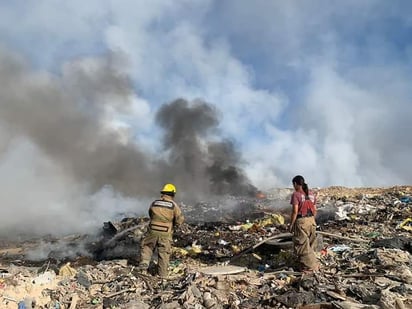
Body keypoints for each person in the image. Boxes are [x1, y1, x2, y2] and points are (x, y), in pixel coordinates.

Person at [138, 183, 184, 278]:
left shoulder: (155, 203)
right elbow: (179, 220)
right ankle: (162, 276)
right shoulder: (173, 205)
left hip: (152, 230)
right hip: (165, 232)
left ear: (163, 193)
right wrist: (173, 225)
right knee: (164, 253)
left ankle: (143, 267)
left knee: (147, 247)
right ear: (172, 194)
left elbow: (150, 214)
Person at [289, 175, 319, 272]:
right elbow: (315, 210)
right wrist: (312, 220)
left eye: (293, 184)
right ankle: (307, 264)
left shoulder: (296, 194)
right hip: (312, 221)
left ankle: (310, 267)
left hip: (301, 222)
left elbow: (295, 211)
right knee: (310, 244)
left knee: (302, 246)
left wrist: (291, 224)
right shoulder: (311, 194)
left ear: (295, 184)